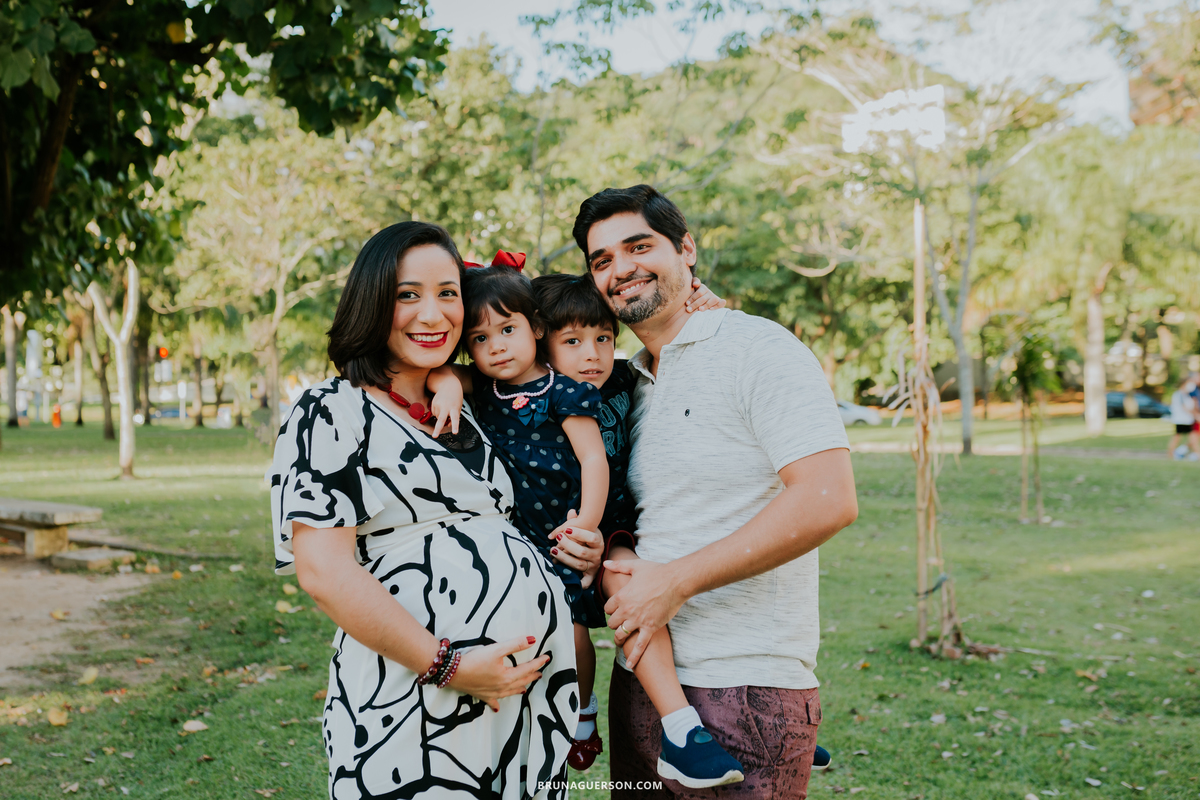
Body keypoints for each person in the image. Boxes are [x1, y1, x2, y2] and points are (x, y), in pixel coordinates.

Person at [267, 222, 604, 799]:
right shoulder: (330, 410)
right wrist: (450, 666)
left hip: (526, 702)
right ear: (373, 301)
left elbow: (584, 339)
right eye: (408, 294)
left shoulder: (473, 404)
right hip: (416, 701)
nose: (433, 313)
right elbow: (324, 571)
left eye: (448, 293)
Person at [575, 185, 859, 799]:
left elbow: (829, 498)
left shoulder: (759, 349)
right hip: (640, 683)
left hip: (746, 688)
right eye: (602, 260)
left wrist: (675, 582)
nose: (621, 269)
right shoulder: (624, 384)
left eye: (639, 247)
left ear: (686, 250)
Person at [532, 273, 745, 788]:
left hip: (616, 528)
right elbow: (477, 354)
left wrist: (704, 304)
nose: (592, 355)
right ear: (540, 344)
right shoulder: (527, 390)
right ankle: (582, 711)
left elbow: (683, 353)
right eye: (573, 341)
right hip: (549, 538)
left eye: (603, 338)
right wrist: (449, 381)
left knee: (633, 591)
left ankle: (689, 728)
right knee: (569, 632)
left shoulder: (625, 379)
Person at [1168, 375, 1198, 461]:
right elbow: (1185, 408)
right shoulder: (1179, 394)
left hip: (1188, 420)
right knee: (1177, 438)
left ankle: (1195, 453)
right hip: (1181, 420)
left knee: (1192, 437)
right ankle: (1170, 454)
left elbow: (1192, 406)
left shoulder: (1187, 395)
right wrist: (1196, 416)